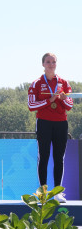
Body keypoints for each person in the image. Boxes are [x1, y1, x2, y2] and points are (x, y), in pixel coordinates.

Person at [28, 53, 73, 203]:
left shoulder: (64, 83)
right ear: (43, 64)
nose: (51, 64)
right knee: (44, 156)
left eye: (53, 62)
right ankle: (42, 192)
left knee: (59, 158)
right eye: (48, 62)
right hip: (44, 123)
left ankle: (57, 192)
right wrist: (50, 100)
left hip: (61, 122)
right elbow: (31, 106)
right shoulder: (36, 83)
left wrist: (63, 99)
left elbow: (70, 105)